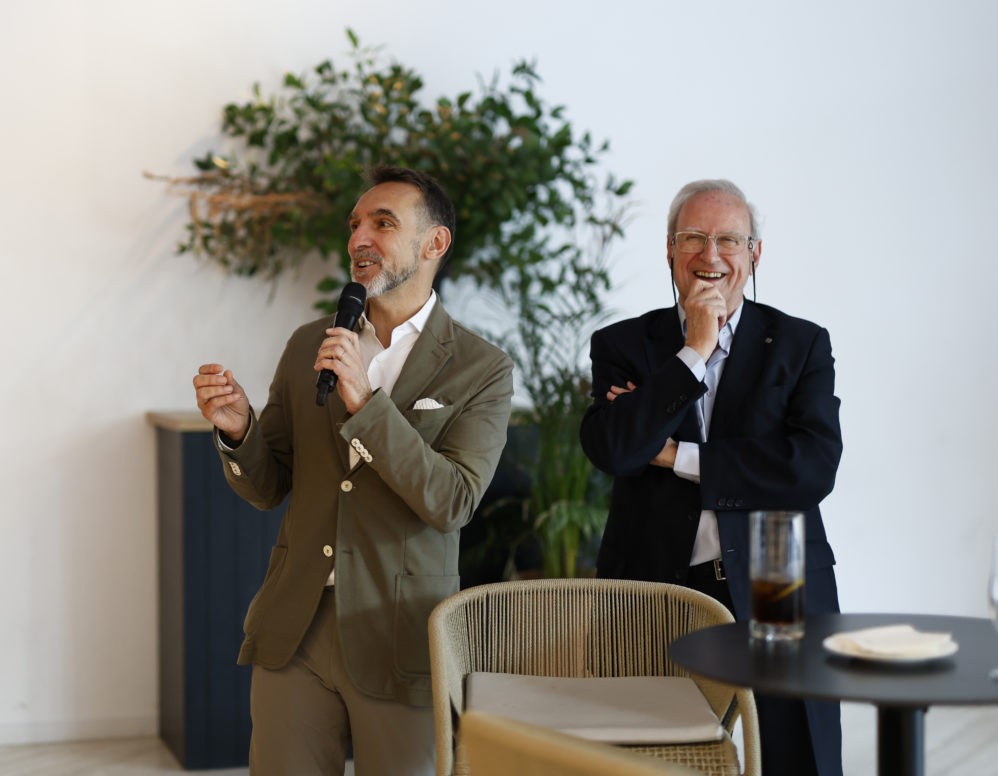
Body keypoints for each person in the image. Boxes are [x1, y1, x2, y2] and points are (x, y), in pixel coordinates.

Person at [192, 165, 514, 776]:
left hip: (401, 635)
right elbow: (269, 487)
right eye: (356, 224)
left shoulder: (481, 368)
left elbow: (452, 501)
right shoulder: (309, 343)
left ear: (434, 244)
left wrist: (368, 406)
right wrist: (238, 430)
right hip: (295, 629)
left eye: (383, 223)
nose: (359, 238)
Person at [579, 179, 843, 776]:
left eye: (728, 238)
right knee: (648, 754)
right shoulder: (624, 344)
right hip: (653, 582)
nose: (710, 254)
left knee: (798, 752)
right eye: (693, 238)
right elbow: (616, 449)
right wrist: (693, 352)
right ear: (669, 250)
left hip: (778, 580)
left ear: (755, 254)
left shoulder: (800, 344)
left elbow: (810, 467)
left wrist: (674, 455)